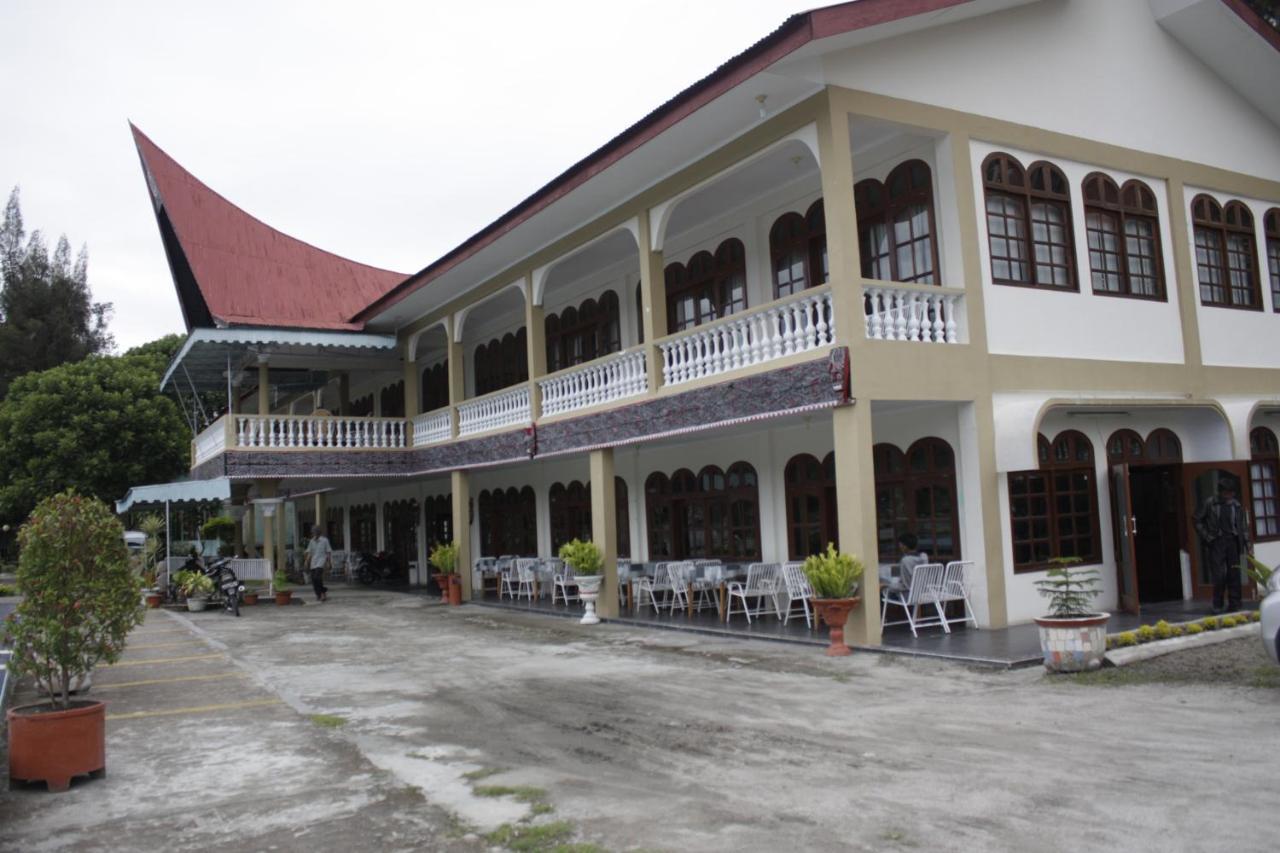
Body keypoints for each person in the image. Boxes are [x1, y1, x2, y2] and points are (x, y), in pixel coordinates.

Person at [1193, 478, 1250, 613]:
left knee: (1234, 574)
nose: (1229, 496)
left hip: (1233, 541)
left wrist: (1247, 543)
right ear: (1220, 493)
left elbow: (1242, 526)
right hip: (1217, 541)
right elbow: (1196, 519)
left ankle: (1235, 603)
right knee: (1219, 575)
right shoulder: (1210, 503)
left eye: (1231, 493)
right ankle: (1217, 604)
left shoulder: (1236, 505)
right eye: (1226, 493)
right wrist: (1207, 536)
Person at [305, 524, 331, 602]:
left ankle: (322, 593)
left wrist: (329, 562)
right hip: (313, 562)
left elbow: (328, 552)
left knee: (317, 577)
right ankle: (319, 594)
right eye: (313, 533)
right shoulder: (311, 541)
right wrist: (306, 561)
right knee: (313, 579)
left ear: (318, 533)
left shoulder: (325, 540)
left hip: (321, 561)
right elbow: (310, 552)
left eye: (315, 532)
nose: (313, 534)